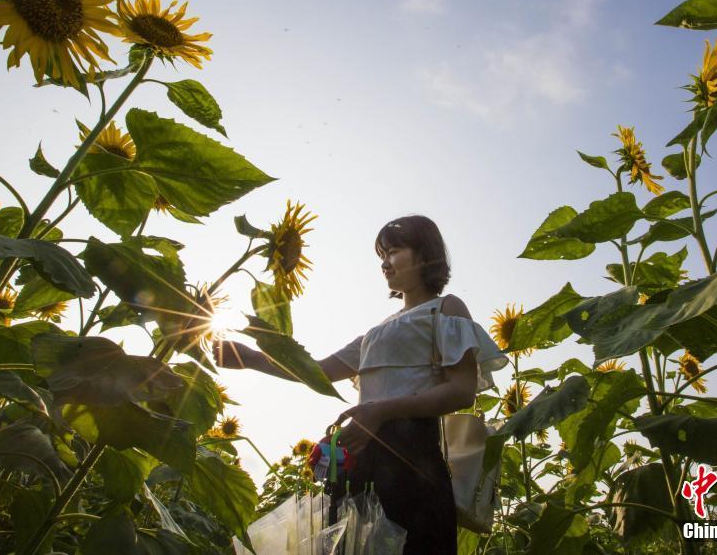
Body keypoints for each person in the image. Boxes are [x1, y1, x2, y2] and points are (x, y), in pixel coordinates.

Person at [213, 215, 508, 555]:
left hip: (411, 459)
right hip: (360, 458)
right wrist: (251, 359)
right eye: (381, 255)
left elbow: (461, 390)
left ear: (425, 255)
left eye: (394, 251)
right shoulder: (375, 332)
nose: (384, 263)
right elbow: (318, 371)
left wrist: (378, 411)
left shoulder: (444, 308)